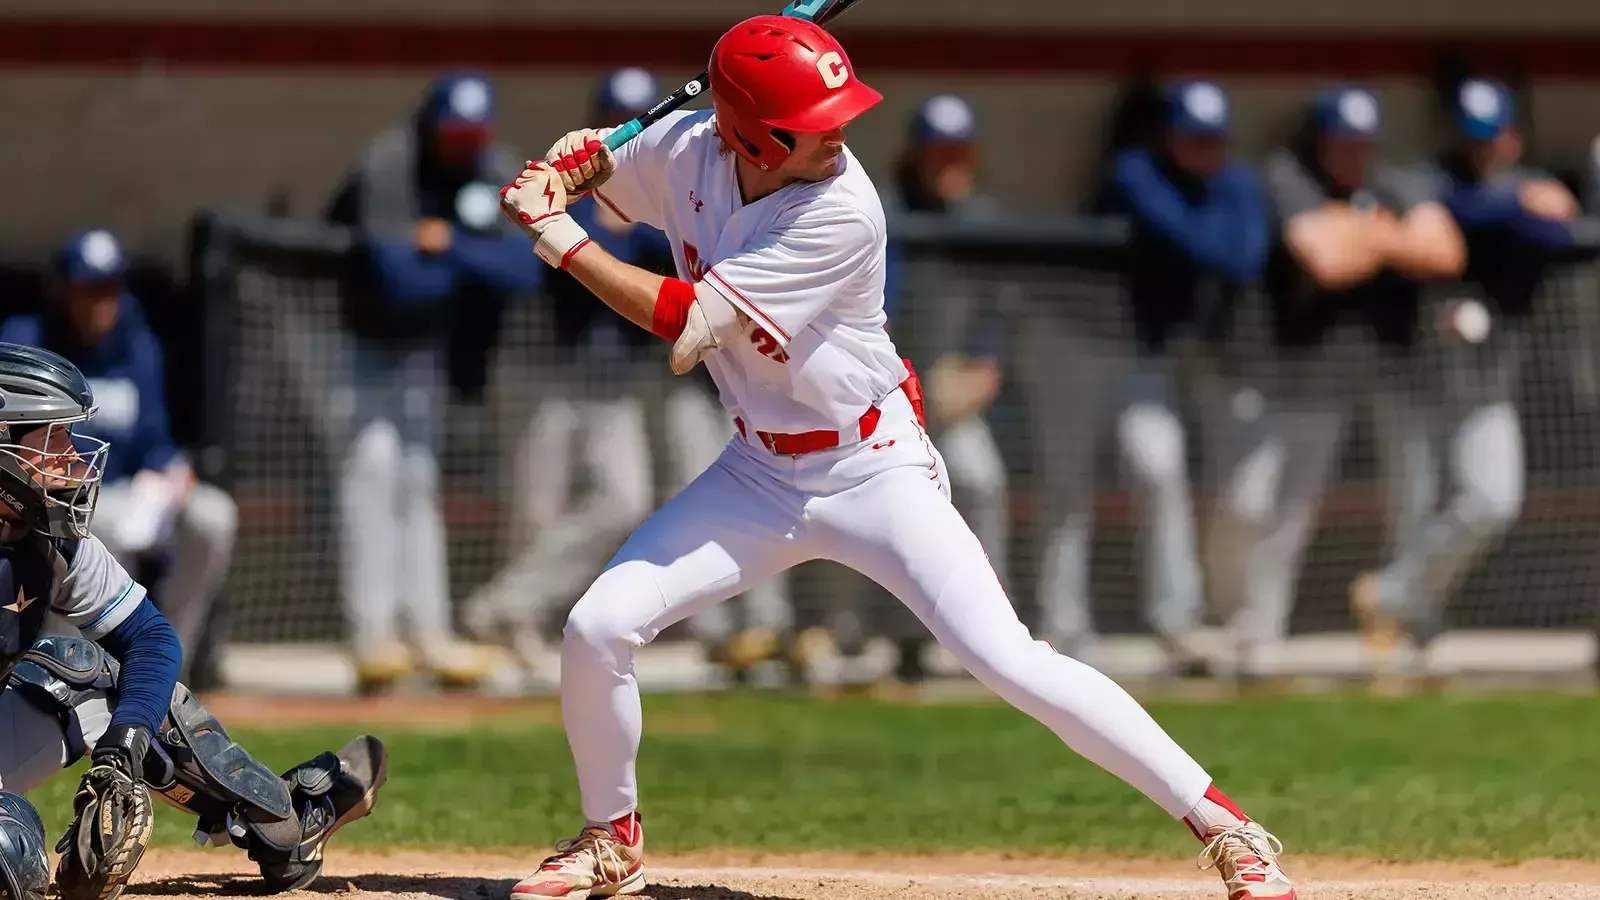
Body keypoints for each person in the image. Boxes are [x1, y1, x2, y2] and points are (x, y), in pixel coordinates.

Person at [496, 16, 1295, 900]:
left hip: (872, 468)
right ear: (749, 129)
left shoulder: (840, 208)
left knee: (1009, 660)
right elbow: (613, 177)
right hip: (758, 473)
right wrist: (581, 162)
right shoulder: (687, 146)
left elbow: (685, 321)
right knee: (596, 627)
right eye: (816, 118)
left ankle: (1231, 831)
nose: (840, 130)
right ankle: (612, 836)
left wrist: (558, 235)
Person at [0, 343, 386, 900]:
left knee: (92, 674)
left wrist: (124, 743)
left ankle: (285, 826)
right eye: (51, 438)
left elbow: (150, 640)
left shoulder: (49, 539)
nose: (73, 457)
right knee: (10, 850)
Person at [1204, 85, 1465, 677]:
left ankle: (1259, 630)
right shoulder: (1285, 176)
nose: (1352, 155)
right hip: (1262, 369)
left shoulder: (1389, 180)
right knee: (1242, 504)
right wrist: (1384, 237)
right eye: (1341, 143)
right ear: (1318, 140)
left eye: (1361, 144)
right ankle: (1223, 614)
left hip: (1325, 380)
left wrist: (1362, 232)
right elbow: (1324, 259)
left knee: (1291, 515)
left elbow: (1445, 251)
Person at [325, 70, 540, 692]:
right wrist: (470, 265)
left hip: (425, 347)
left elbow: (524, 268)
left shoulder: (491, 165)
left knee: (417, 481)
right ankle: (373, 638)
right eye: (454, 134)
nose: (463, 146)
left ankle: (428, 634)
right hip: (353, 337)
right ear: (430, 126)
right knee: (370, 471)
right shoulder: (389, 164)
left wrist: (446, 247)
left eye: (473, 135)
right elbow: (394, 277)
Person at [1041, 80, 1266, 675]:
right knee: (1068, 489)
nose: (1204, 151)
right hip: (1073, 343)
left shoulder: (1233, 181)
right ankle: (1060, 626)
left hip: (1141, 354)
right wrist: (1215, 225)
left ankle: (1177, 622)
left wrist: (1217, 220)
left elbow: (1243, 258)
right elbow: (1201, 244)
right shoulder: (1134, 173)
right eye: (1192, 139)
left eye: (1214, 140)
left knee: (1159, 466)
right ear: (1167, 137)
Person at [1350, 79, 1575, 669]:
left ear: (1511, 136)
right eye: (1470, 138)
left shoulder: (1527, 186)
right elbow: (1445, 219)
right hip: (1416, 371)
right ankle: (1409, 633)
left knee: (1494, 500)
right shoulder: (1422, 180)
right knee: (1413, 503)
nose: (1480, 151)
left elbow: (1558, 229)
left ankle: (1393, 595)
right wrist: (1512, 209)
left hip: (1487, 378)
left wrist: (1513, 209)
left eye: (1491, 138)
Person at [0, 229, 237, 686]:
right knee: (99, 525)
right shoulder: (26, 341)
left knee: (213, 517)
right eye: (89, 289)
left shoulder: (138, 343)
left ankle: (169, 667)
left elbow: (155, 438)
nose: (101, 302)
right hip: (54, 493)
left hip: (132, 488)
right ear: (64, 289)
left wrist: (174, 469)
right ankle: (73, 669)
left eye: (109, 288)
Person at [877, 93, 1011, 682]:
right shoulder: (880, 212)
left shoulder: (981, 219)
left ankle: (989, 635)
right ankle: (886, 639)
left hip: (950, 394)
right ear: (916, 155)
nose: (948, 165)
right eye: (938, 153)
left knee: (981, 484)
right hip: (882, 396)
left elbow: (999, 310)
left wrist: (985, 365)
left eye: (958, 153)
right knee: (878, 517)